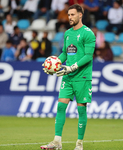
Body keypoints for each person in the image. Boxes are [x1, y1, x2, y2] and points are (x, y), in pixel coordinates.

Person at [40, 4, 96, 150]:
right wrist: (54, 64)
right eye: (69, 15)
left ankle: (79, 144)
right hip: (68, 77)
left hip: (82, 77)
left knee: (81, 110)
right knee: (60, 106)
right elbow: (65, 53)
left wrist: (73, 67)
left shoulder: (88, 33)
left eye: (72, 15)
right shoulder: (67, 33)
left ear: (80, 15)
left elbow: (88, 56)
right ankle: (57, 142)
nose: (69, 17)